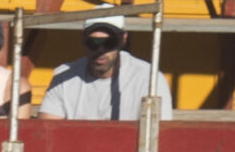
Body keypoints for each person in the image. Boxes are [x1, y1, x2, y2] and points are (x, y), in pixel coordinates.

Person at [40, 14, 174, 122]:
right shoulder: (64, 76)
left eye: (109, 43)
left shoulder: (149, 79)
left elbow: (159, 138)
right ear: (83, 41)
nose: (100, 50)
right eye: (93, 43)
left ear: (123, 39)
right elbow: (47, 132)